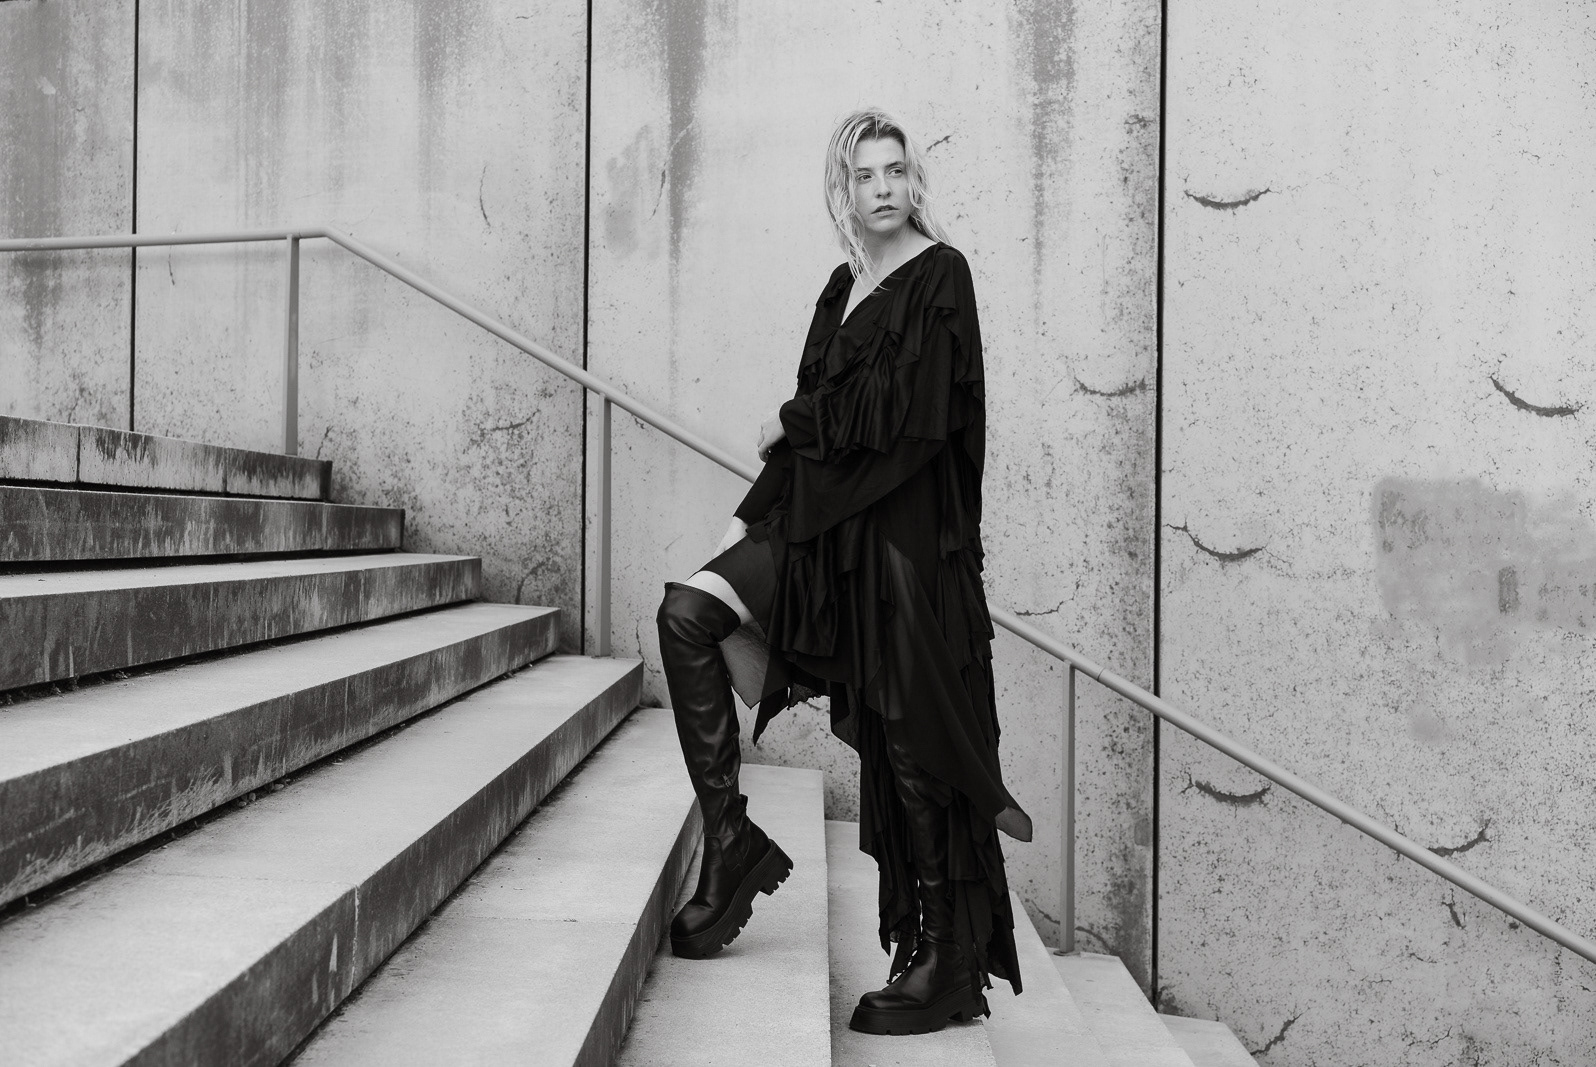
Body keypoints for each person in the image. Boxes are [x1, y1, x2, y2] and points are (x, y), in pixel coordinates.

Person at [655, 106, 1032, 1036]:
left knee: (912, 740)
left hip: (901, 544)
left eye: (896, 170)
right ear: (845, 191)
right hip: (820, 531)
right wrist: (764, 495)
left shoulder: (942, 276)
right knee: (688, 613)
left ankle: (944, 955)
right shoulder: (841, 287)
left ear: (915, 181)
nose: (884, 187)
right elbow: (822, 420)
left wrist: (789, 421)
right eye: (866, 175)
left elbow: (909, 417)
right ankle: (731, 839)